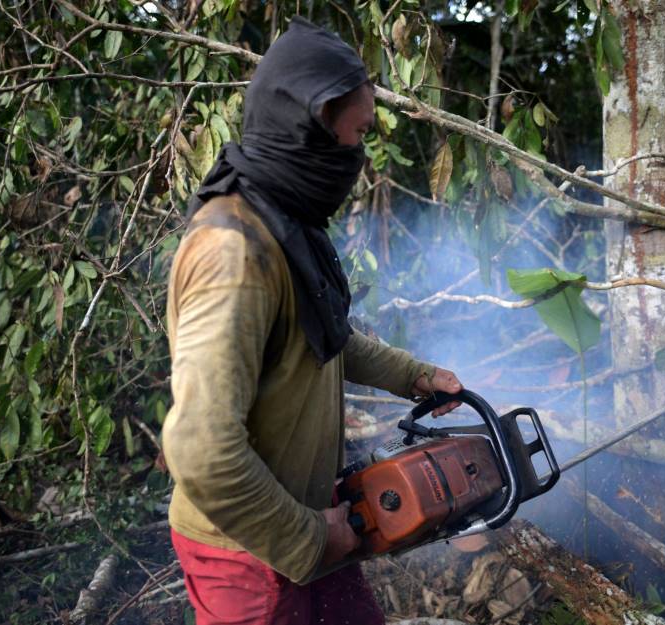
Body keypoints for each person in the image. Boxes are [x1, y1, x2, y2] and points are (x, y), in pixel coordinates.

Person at [161, 17, 463, 625]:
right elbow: (201, 450)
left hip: (309, 522)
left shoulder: (280, 222)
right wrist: (308, 537)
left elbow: (322, 341)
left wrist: (414, 374)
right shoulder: (234, 252)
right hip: (249, 550)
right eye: (358, 133)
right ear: (315, 123)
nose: (359, 156)